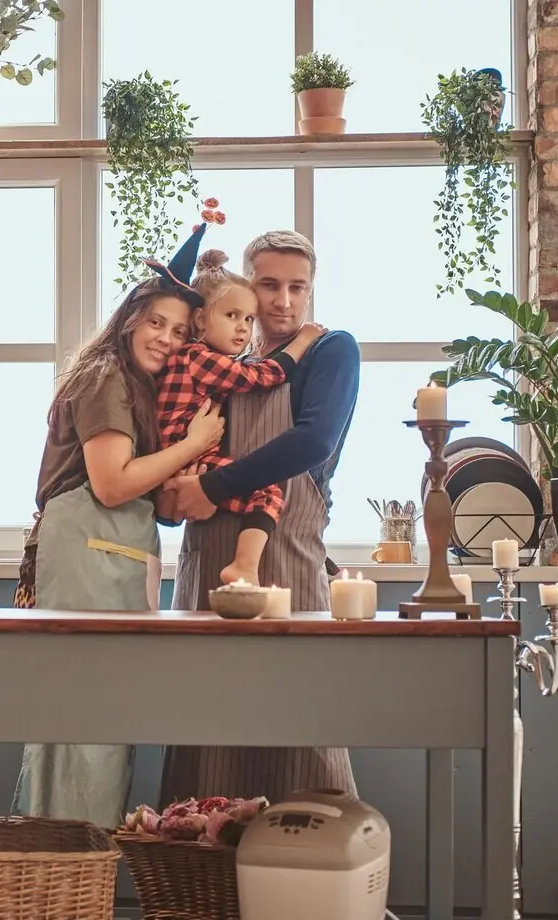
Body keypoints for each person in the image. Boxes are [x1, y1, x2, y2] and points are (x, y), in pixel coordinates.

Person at [10, 228, 225, 829]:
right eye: (156, 322)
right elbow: (109, 484)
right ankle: (66, 879)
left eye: (181, 331)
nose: (167, 338)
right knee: (82, 734)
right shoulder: (106, 376)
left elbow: (147, 493)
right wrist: (193, 445)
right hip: (85, 561)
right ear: (130, 318)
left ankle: (81, 881)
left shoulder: (141, 388)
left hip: (114, 565)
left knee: (103, 733)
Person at [158, 229, 361, 805]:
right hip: (205, 573)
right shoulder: (223, 362)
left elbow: (311, 443)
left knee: (298, 727)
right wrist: (174, 494)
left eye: (298, 287)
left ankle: (313, 892)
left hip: (285, 569)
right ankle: (200, 895)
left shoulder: (330, 351)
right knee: (208, 737)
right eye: (269, 285)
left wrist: (211, 486)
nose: (283, 301)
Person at [157, 248, 326, 586]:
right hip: (188, 484)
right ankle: (245, 566)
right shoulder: (204, 360)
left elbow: (315, 441)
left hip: (289, 560)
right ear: (201, 320)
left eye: (247, 319)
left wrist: (204, 488)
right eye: (232, 315)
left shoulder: (334, 349)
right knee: (269, 494)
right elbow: (263, 376)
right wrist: (304, 339)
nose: (242, 328)